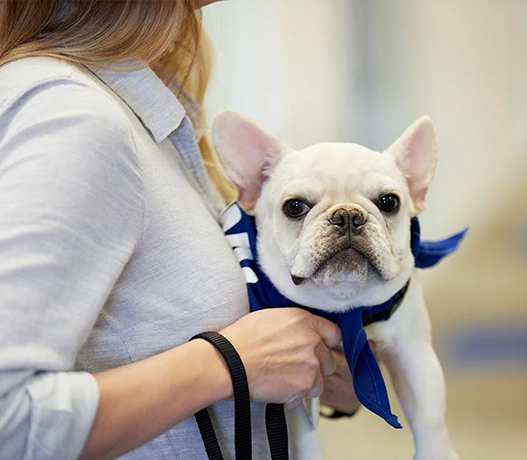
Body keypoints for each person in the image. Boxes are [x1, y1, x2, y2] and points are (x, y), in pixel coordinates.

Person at [0, 1, 359, 459]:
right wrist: (227, 363)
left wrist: (316, 370)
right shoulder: (74, 116)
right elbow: (9, 422)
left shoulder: (134, 96)